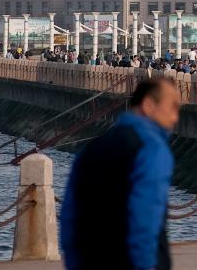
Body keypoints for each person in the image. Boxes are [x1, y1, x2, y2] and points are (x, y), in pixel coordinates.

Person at [60, 77, 180, 270]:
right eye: (172, 107)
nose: (175, 117)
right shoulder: (152, 148)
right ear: (148, 105)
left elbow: (70, 213)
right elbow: (145, 216)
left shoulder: (94, 146)